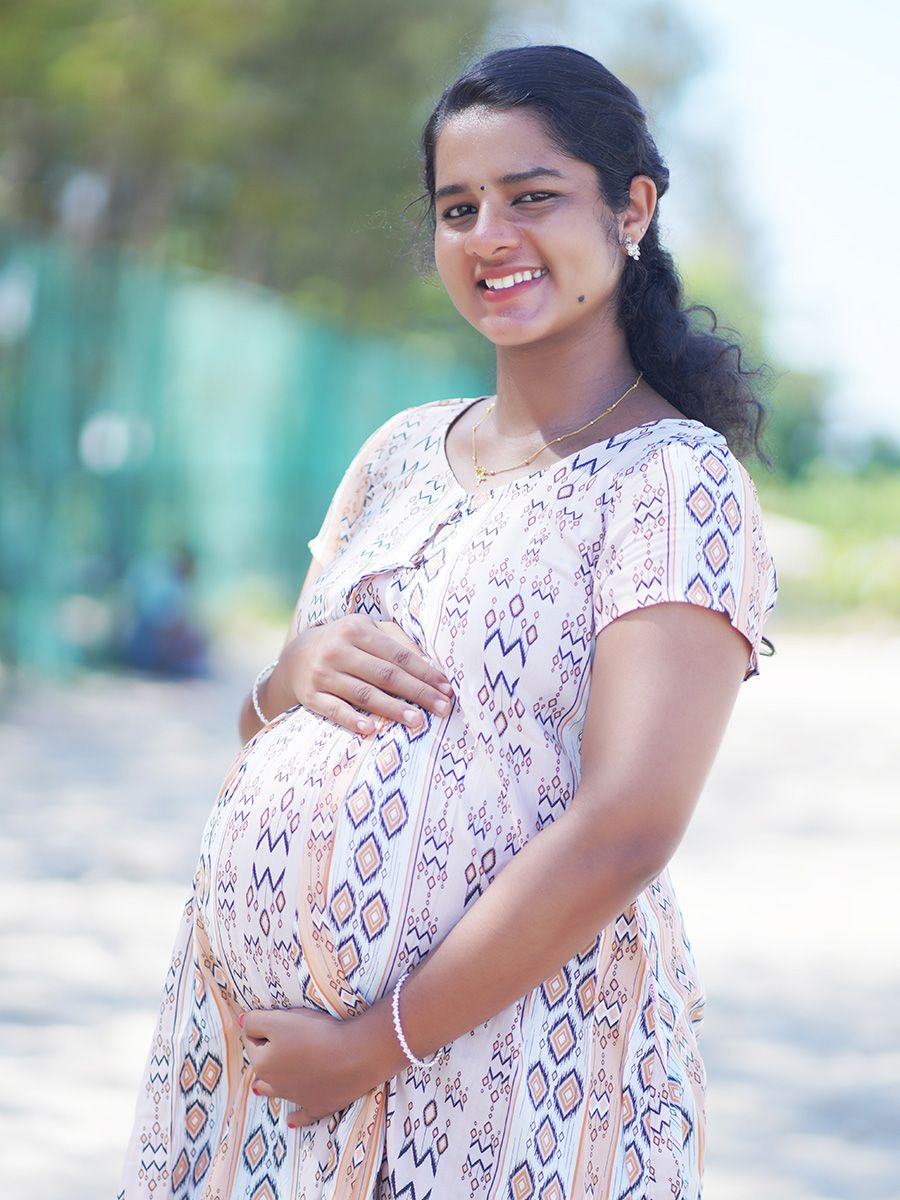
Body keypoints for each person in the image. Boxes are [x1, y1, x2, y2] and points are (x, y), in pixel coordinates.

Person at [120, 44, 778, 1200]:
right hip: (263, 1085)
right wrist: (286, 680)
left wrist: (373, 1046)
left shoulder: (673, 481)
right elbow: (262, 726)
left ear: (633, 210)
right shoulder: (396, 455)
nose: (490, 237)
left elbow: (627, 826)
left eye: (533, 198)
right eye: (458, 208)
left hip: (500, 1079)